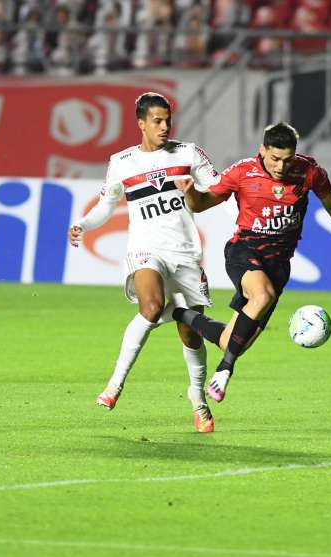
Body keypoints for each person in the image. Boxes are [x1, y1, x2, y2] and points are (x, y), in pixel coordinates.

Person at [176, 122, 331, 402]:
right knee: (262, 294)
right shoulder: (242, 172)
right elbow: (200, 204)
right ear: (262, 151)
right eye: (275, 159)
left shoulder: (309, 172)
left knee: (230, 341)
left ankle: (179, 313)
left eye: (288, 159)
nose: (281, 166)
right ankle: (224, 371)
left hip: (278, 265)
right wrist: (190, 192)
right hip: (244, 251)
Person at [68, 92, 221, 433]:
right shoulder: (122, 162)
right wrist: (84, 224)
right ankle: (114, 385)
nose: (165, 126)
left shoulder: (189, 154)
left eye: (167, 120)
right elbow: (106, 206)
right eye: (157, 121)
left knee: (191, 332)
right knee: (151, 308)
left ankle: (197, 398)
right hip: (145, 249)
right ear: (141, 123)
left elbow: (221, 190)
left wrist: (244, 223)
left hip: (185, 252)